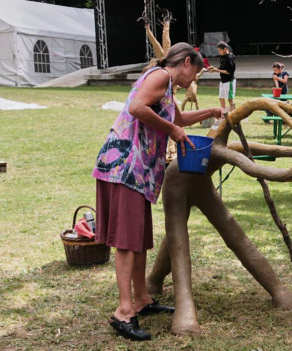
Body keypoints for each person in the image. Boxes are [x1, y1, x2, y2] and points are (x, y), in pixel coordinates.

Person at [92, 42, 223, 341]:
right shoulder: (160, 76)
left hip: (139, 172)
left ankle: (142, 299)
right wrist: (173, 132)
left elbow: (178, 120)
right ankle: (123, 312)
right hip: (125, 166)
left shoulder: (167, 87)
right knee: (127, 242)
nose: (193, 81)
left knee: (138, 238)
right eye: (195, 73)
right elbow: (138, 108)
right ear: (187, 62)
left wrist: (211, 112)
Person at [208, 41, 236, 110]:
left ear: (225, 49)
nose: (219, 52)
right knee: (221, 97)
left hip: (229, 81)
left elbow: (229, 72)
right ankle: (223, 114)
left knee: (230, 99)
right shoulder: (222, 57)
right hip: (223, 81)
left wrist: (217, 70)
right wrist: (214, 69)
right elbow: (222, 68)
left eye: (220, 50)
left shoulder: (229, 58)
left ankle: (233, 115)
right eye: (218, 50)